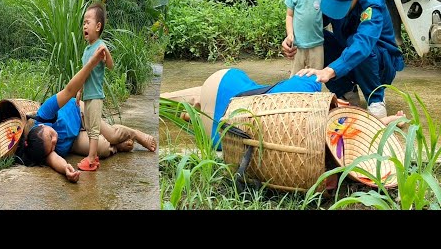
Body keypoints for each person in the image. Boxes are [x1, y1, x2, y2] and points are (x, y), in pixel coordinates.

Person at [161, 68, 407, 151]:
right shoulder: (319, 132)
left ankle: (170, 103)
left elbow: (355, 121)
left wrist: (389, 123)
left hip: (227, 84)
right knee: (200, 104)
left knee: (199, 96)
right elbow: (358, 124)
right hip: (221, 135)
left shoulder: (309, 84)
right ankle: (187, 109)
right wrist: (389, 123)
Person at [16, 44, 157, 183]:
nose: (55, 140)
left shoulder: (44, 114)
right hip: (73, 138)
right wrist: (66, 170)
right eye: (53, 146)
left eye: (51, 136)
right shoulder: (43, 149)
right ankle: (117, 147)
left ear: (41, 126)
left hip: (79, 112)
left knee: (113, 136)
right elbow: (55, 160)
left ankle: (136, 134)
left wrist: (91, 64)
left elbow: (69, 90)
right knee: (101, 149)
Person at [283, 0, 405, 119]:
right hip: (347, 57)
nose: (335, 9)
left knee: (357, 44)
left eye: (341, 5)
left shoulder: (373, 6)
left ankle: (375, 99)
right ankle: (347, 93)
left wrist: (329, 70)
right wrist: (293, 39)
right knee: (321, 40)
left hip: (379, 65)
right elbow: (312, 26)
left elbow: (363, 44)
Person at [75, 3, 113, 171]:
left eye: (87, 22)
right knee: (90, 128)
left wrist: (106, 52)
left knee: (95, 129)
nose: (84, 26)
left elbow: (110, 66)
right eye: (83, 23)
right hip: (87, 96)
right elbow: (84, 73)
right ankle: (93, 156)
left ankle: (91, 158)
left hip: (96, 95)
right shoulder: (86, 51)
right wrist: (79, 91)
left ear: (98, 26)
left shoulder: (100, 46)